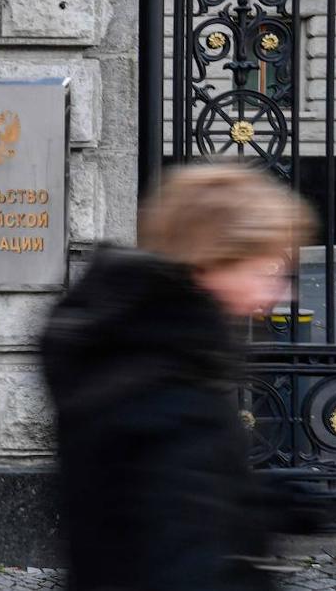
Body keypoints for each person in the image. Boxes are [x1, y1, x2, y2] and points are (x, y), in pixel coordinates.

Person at [40, 164, 319, 591]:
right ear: (211, 264)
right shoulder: (170, 384)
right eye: (266, 270)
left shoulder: (140, 348)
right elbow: (181, 559)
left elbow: (174, 504)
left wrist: (269, 505)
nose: (282, 292)